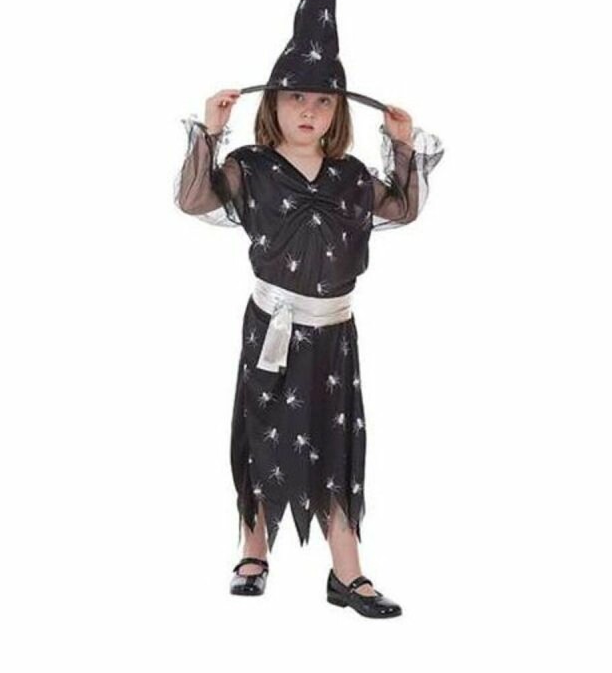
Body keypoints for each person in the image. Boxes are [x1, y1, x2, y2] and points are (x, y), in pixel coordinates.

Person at [173, 85, 444, 618]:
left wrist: (401, 143)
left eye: (323, 101)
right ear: (273, 104)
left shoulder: (351, 175)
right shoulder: (250, 167)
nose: (308, 110)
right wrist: (211, 130)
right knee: (263, 428)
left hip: (333, 332)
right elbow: (193, 199)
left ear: (337, 112)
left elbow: (403, 208)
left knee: (336, 436)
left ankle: (346, 571)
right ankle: (254, 549)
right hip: (272, 328)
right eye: (296, 97)